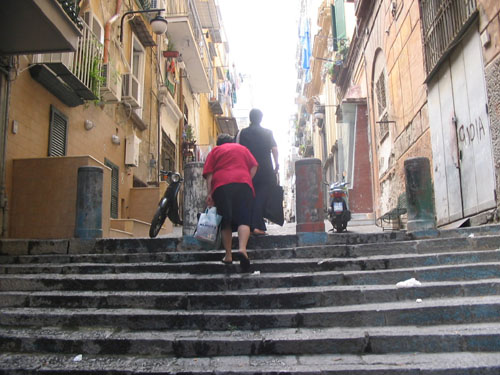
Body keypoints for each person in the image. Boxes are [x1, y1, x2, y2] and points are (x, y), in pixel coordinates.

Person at [202, 133, 258, 271]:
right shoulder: (242, 149)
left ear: (218, 143)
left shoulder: (215, 151)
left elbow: (210, 174)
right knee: (243, 219)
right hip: (243, 183)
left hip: (222, 185)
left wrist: (209, 193)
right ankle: (242, 249)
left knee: (225, 221)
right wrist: (247, 178)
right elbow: (255, 165)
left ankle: (228, 255)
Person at [237, 108, 279, 235]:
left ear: (250, 118)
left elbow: (238, 149)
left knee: (252, 196)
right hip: (265, 168)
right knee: (262, 196)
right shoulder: (267, 132)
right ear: (261, 118)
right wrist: (276, 164)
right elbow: (275, 149)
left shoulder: (243, 133)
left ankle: (255, 224)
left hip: (248, 168)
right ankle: (256, 226)